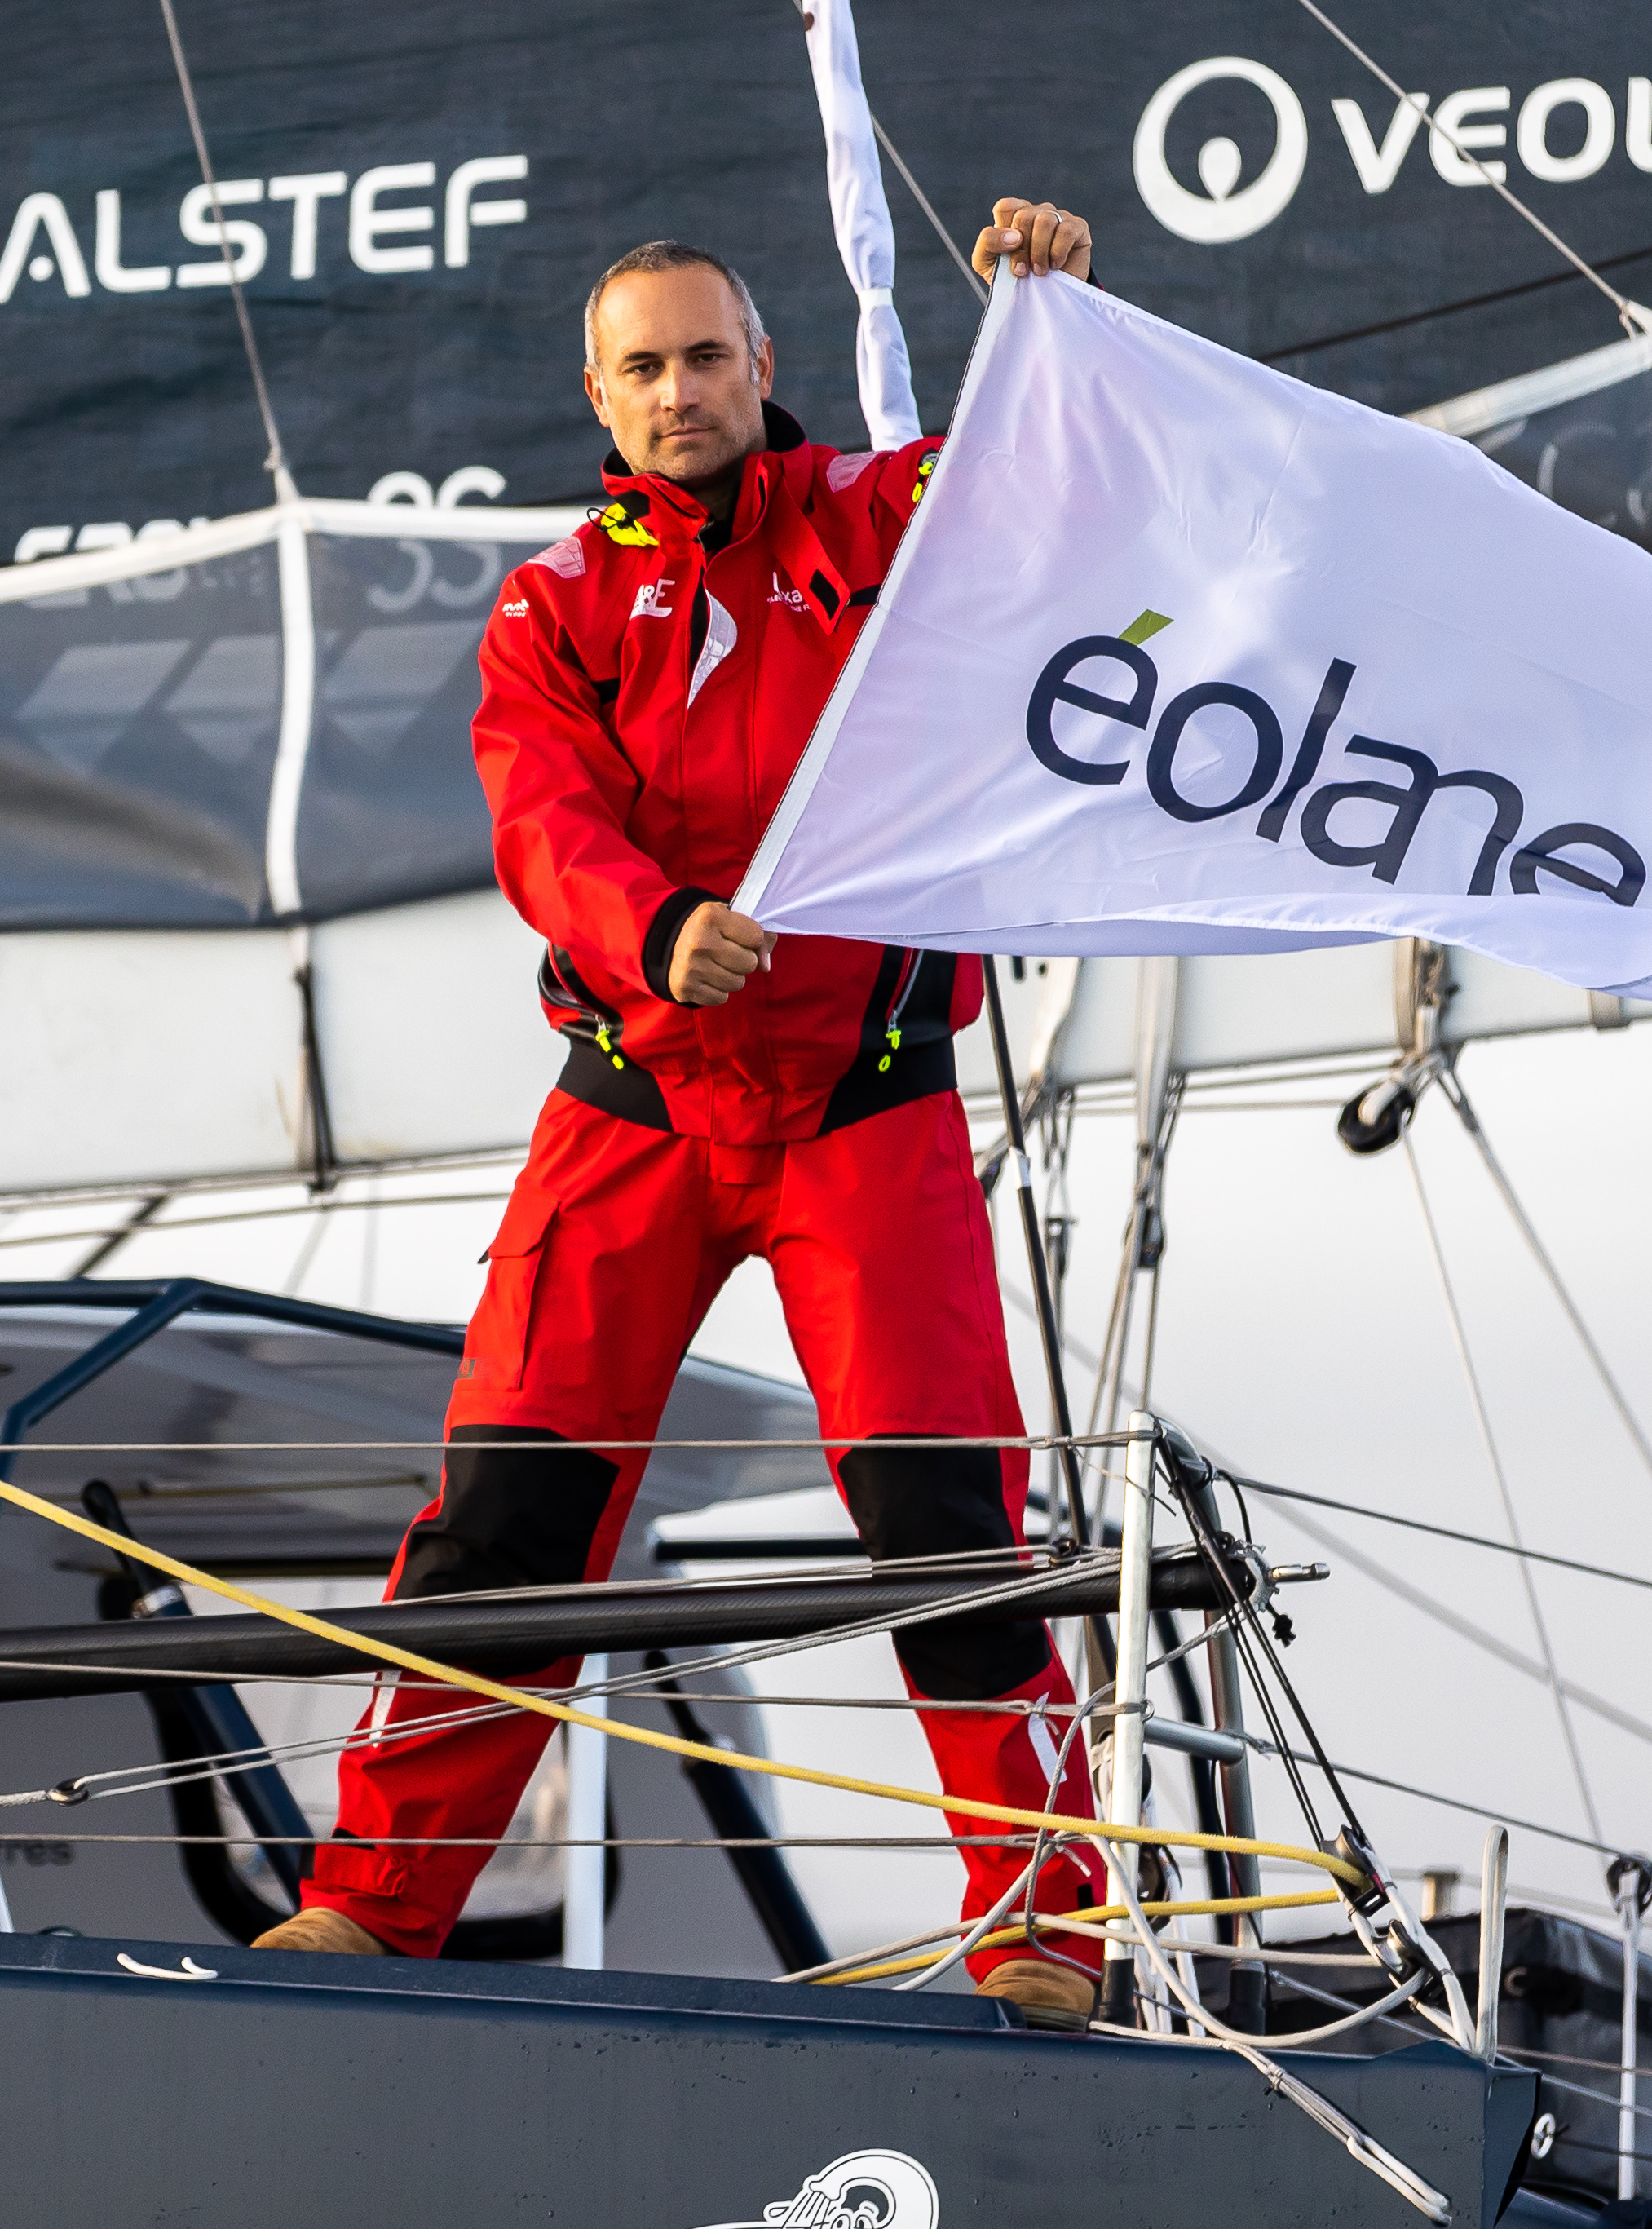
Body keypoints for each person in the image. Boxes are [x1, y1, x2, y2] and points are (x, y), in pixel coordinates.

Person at [258, 202, 1107, 2023]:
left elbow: (1046, 487)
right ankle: (368, 1913)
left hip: (863, 1114)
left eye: (704, 357)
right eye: (640, 367)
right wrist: (654, 930)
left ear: (761, 367)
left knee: (944, 1514)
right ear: (598, 393)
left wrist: (1042, 311)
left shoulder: (879, 525)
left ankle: (1040, 1929)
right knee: (502, 1518)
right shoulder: (555, 601)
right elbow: (538, 820)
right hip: (636, 1101)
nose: (676, 392)